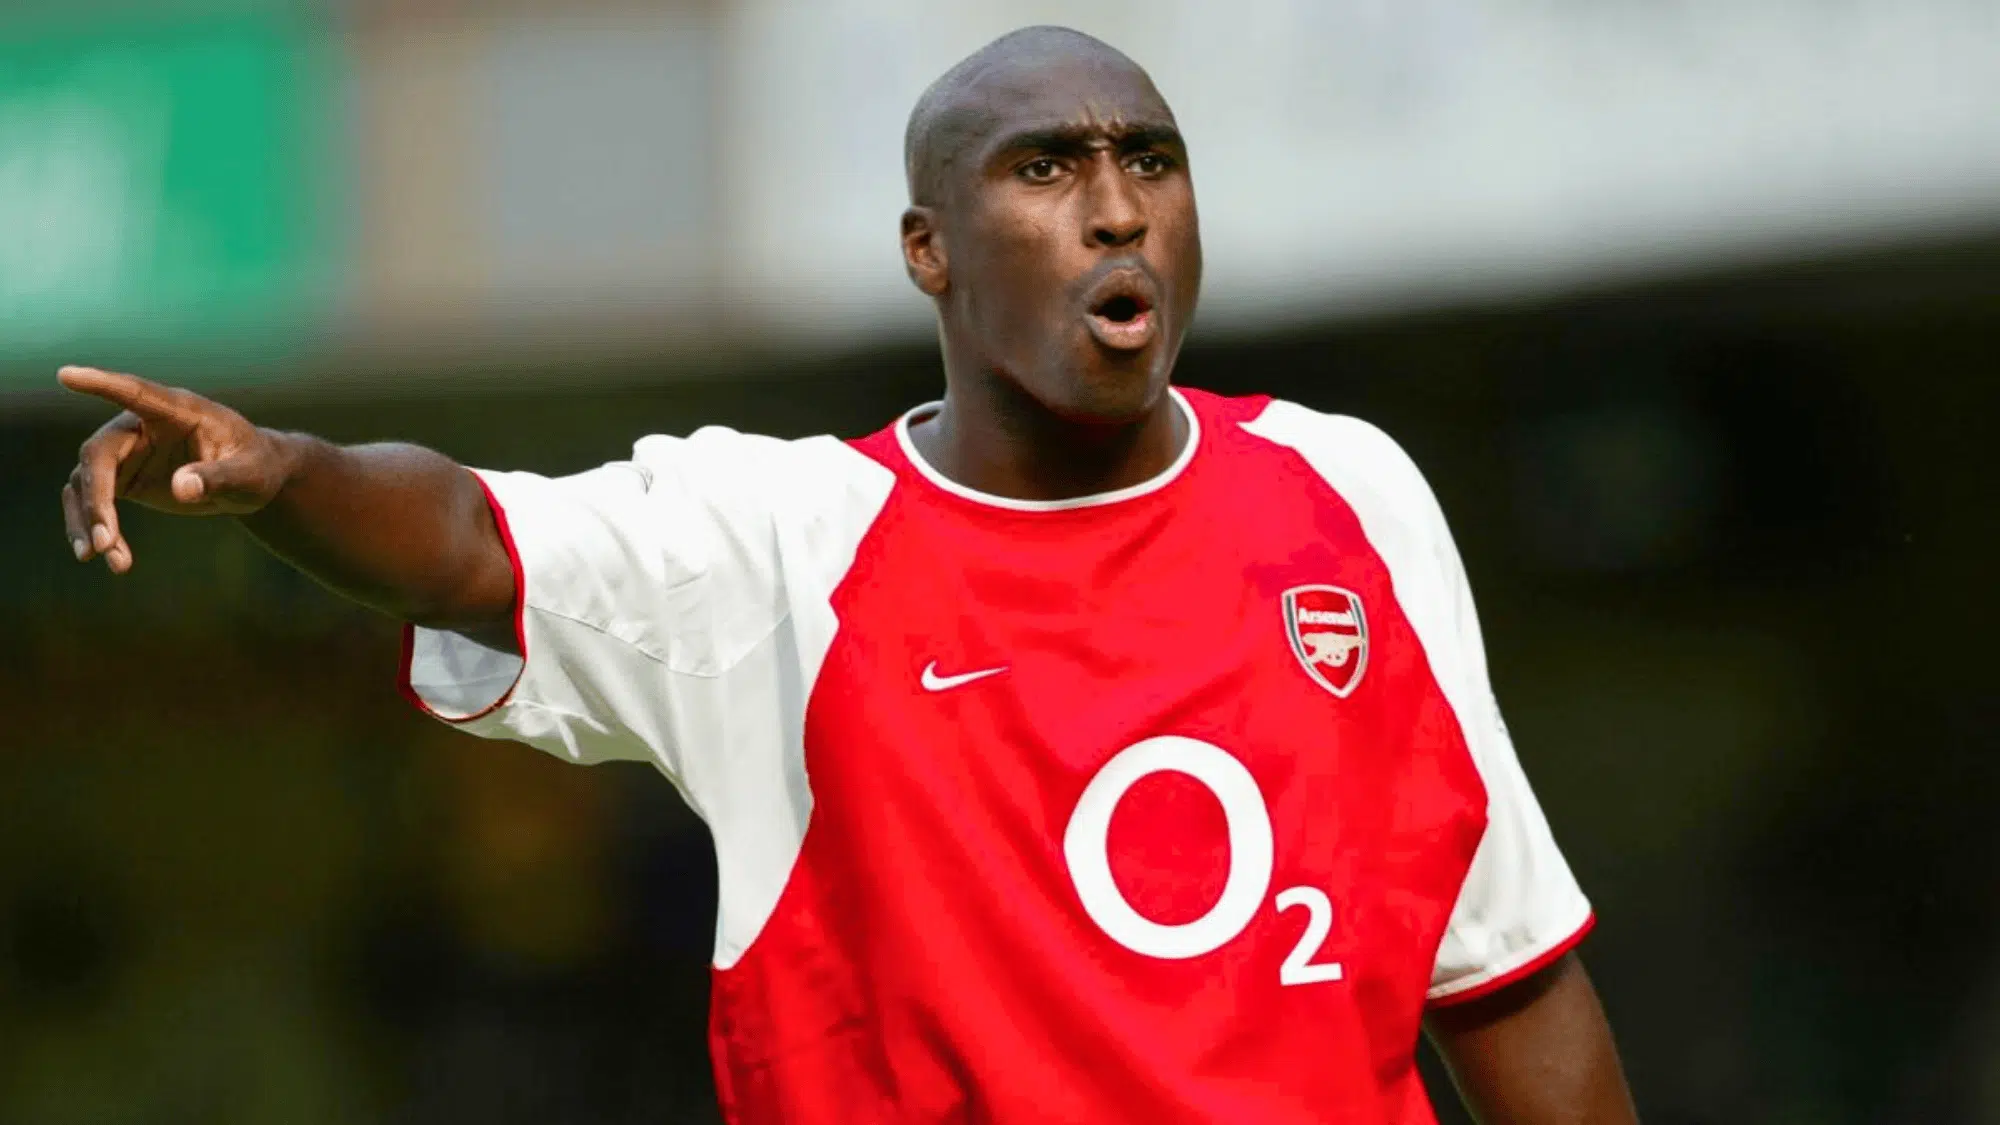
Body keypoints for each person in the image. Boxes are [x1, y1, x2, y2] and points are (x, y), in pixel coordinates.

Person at [56, 25, 1638, 1125]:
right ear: (927, 248)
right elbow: (473, 537)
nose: (1113, 208)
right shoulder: (778, 550)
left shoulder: (1345, 490)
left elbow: (1497, 968)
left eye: (1149, 161)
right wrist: (285, 476)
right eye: (1045, 169)